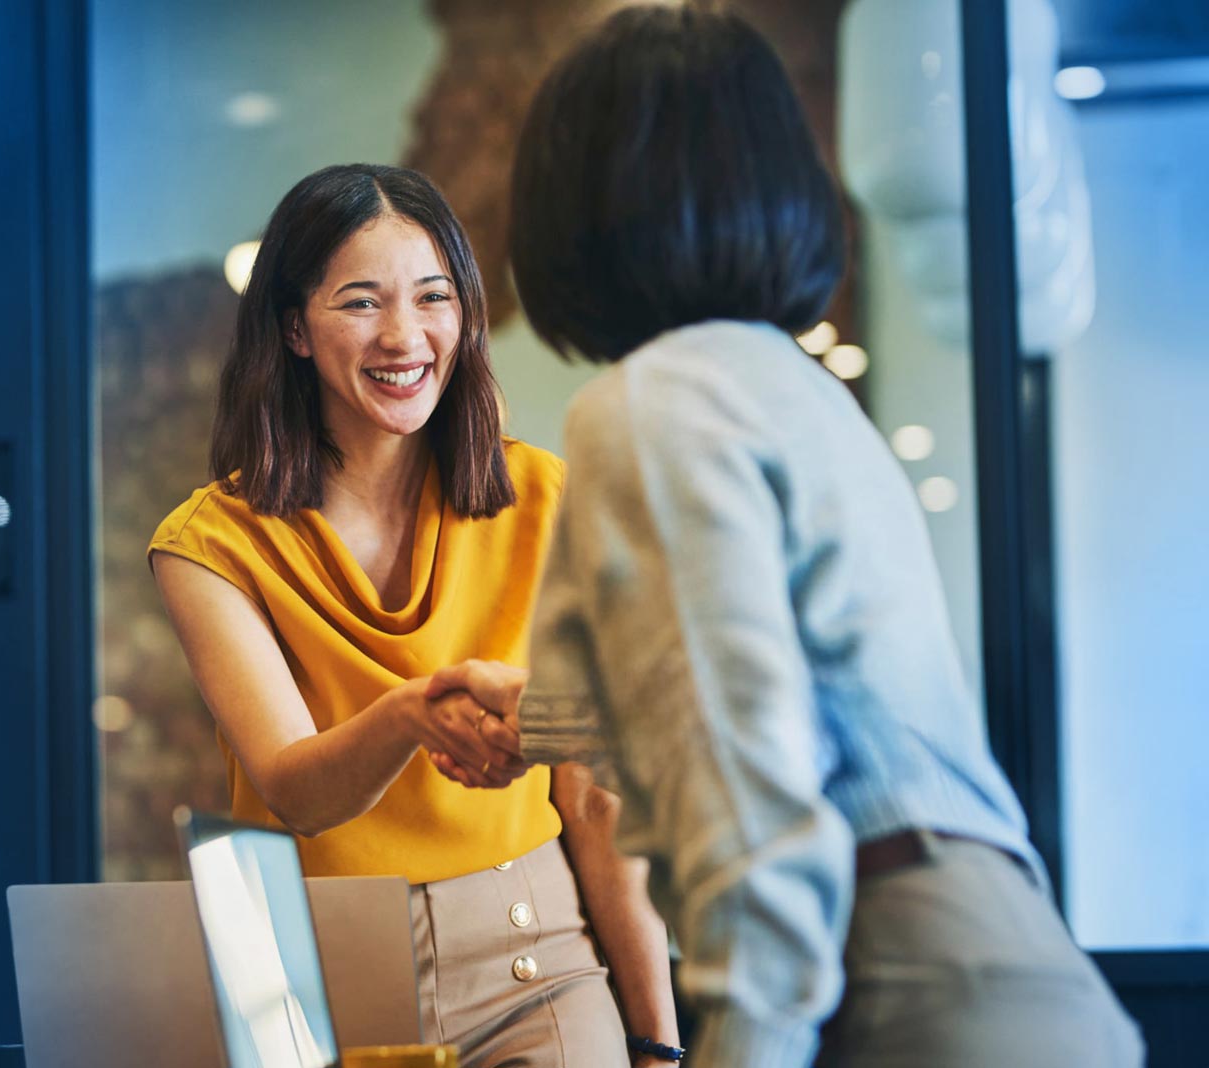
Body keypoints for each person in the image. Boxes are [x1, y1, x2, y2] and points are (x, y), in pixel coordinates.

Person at [426, 6, 1145, 1067]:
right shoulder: (792, 390)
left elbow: (752, 810)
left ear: (577, 202)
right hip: (1001, 959)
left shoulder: (652, 407)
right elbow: (806, 701)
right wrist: (539, 723)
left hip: (898, 978)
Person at [148, 163, 679, 1067]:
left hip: (537, 959)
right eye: (360, 303)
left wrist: (659, 1044)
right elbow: (295, 792)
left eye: (434, 297)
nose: (405, 336)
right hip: (317, 984)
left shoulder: (546, 499)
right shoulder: (209, 546)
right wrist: (408, 713)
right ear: (294, 330)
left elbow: (594, 797)